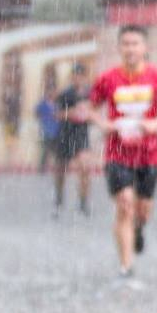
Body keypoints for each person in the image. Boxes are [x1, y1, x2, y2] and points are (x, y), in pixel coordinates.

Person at [90, 25, 157, 285]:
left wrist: (156, 124)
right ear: (119, 48)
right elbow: (90, 108)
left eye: (135, 43)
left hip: (149, 154)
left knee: (142, 209)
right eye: (126, 44)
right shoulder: (108, 79)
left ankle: (139, 228)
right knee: (125, 204)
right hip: (117, 153)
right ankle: (126, 268)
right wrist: (103, 123)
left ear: (145, 48)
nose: (130, 49)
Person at [52, 62, 95, 216]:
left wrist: (90, 115)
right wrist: (73, 112)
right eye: (75, 76)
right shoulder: (65, 94)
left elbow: (94, 112)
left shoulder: (90, 94)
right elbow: (57, 115)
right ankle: (58, 198)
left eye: (80, 76)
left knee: (85, 167)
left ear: (84, 77)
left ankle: (83, 201)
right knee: (61, 170)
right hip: (65, 133)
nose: (77, 79)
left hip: (81, 133)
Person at [34, 85, 60, 173]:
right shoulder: (43, 104)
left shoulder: (57, 103)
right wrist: (45, 119)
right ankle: (42, 168)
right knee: (45, 150)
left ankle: (57, 167)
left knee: (56, 151)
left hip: (56, 130)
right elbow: (37, 113)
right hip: (46, 130)